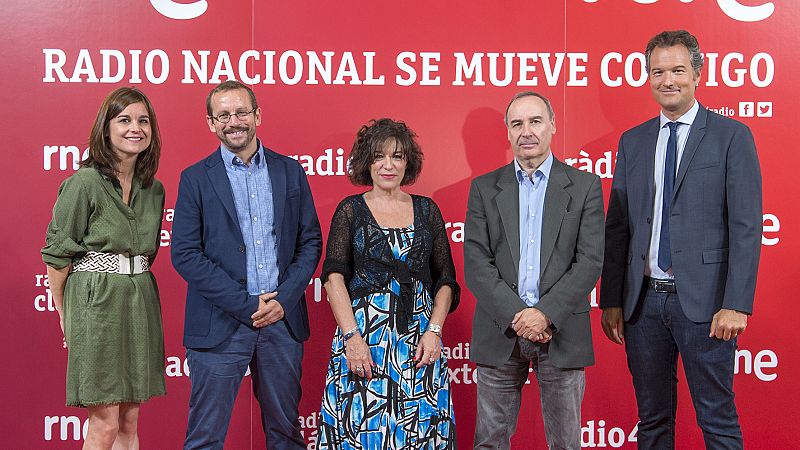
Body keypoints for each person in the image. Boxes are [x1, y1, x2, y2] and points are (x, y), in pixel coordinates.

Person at [600, 30, 762, 449]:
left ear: (697, 74)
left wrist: (737, 303)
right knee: (652, 422)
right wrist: (613, 299)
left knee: (717, 420)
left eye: (677, 70)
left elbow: (746, 226)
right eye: (657, 71)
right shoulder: (633, 141)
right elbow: (618, 226)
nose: (667, 80)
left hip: (707, 305)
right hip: (644, 304)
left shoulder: (731, 136)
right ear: (647, 77)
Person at [171, 80, 322, 449]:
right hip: (221, 323)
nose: (233, 121)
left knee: (286, 434)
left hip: (281, 323)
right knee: (205, 439)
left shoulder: (290, 172)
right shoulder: (194, 178)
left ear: (257, 115)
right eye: (223, 115)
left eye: (241, 112)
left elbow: (310, 242)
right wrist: (247, 305)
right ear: (211, 123)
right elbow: (185, 254)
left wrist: (282, 300)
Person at [464, 92, 604, 450]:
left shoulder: (585, 187)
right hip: (500, 332)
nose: (527, 131)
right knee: (490, 443)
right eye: (517, 124)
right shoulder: (483, 189)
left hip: (561, 330)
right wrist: (518, 316)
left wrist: (544, 315)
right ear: (508, 133)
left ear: (553, 126)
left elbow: (589, 261)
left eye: (535, 121)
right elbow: (477, 264)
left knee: (566, 445)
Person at [317, 118, 460, 449]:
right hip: (365, 341)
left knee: (419, 431)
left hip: (420, 344)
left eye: (397, 156)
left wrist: (434, 331)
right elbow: (334, 277)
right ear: (367, 162)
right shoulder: (350, 211)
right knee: (361, 429)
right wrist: (352, 338)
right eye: (379, 156)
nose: (388, 165)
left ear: (408, 161)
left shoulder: (428, 211)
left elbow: (446, 280)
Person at [41, 87, 166, 449]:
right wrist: (66, 313)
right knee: (105, 423)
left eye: (143, 121)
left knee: (129, 420)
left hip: (139, 299)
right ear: (106, 128)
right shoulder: (84, 184)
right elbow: (57, 255)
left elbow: (147, 252)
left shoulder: (153, 189)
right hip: (97, 304)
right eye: (124, 120)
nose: (135, 128)